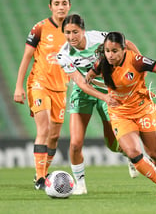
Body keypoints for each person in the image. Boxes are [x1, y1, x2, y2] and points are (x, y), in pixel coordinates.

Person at [84, 32, 156, 196]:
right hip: (120, 114)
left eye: (114, 51)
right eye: (107, 51)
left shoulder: (136, 61)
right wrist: (103, 94)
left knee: (154, 153)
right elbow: (88, 78)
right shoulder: (101, 63)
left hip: (143, 110)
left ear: (123, 49)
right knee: (132, 152)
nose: (110, 55)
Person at [57, 14, 145, 195]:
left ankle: (129, 154)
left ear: (83, 30)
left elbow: (126, 44)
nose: (72, 36)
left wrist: (138, 63)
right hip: (84, 94)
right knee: (75, 143)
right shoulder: (63, 54)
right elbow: (82, 83)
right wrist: (102, 97)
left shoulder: (99, 38)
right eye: (67, 33)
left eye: (75, 32)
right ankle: (80, 185)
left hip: (107, 92)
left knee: (112, 144)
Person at [13, 0, 71, 190]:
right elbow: (26, 58)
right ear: (50, 7)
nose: (61, 6)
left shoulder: (72, 31)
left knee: (54, 136)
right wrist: (18, 86)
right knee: (44, 129)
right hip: (39, 83)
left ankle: (44, 173)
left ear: (69, 6)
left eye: (64, 3)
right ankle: (39, 179)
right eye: (57, 3)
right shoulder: (40, 28)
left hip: (60, 88)